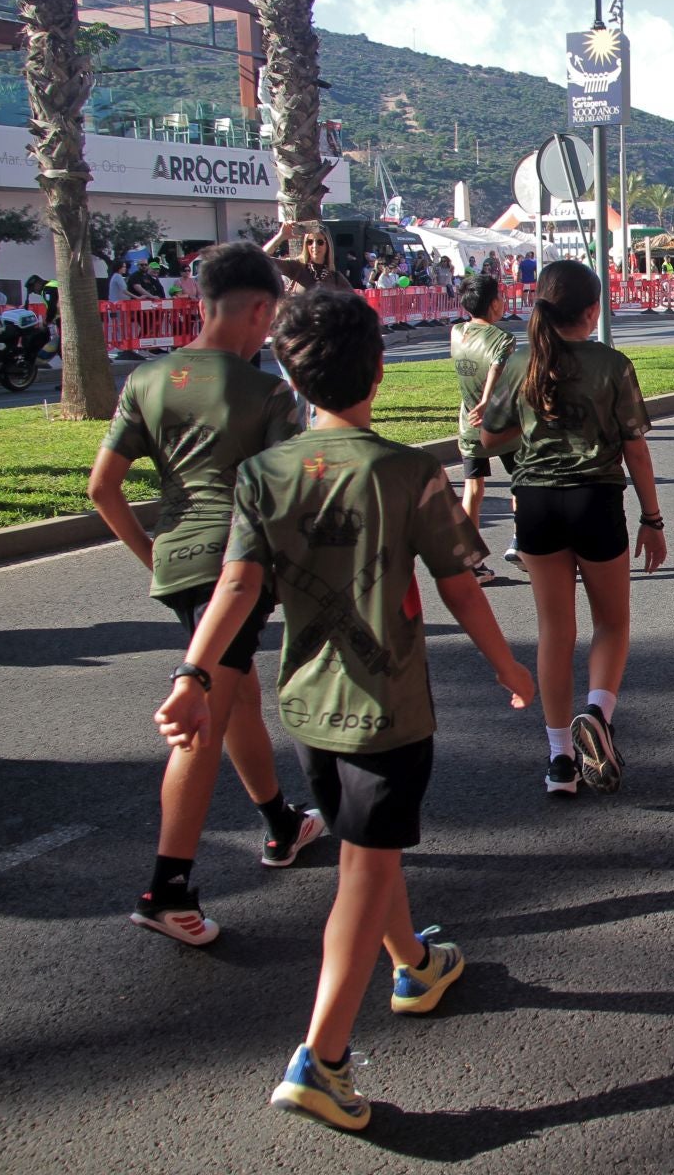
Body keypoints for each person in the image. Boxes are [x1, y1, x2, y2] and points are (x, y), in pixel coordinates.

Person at [154, 287, 534, 1131]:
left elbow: (236, 586)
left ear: (290, 377)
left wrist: (192, 674)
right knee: (365, 864)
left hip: (307, 708)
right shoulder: (408, 473)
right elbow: (460, 586)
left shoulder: (262, 475)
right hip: (388, 710)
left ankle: (415, 963)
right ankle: (322, 1059)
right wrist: (510, 665)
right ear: (380, 369)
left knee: (368, 847)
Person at [88, 241, 328, 945]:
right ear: (259, 309)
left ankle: (281, 823)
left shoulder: (147, 378)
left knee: (236, 692)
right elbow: (290, 499)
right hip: (235, 570)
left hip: (178, 564)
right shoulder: (268, 393)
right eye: (271, 316)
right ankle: (166, 890)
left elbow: (102, 488)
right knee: (202, 718)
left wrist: (154, 557)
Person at [481, 260, 666, 796]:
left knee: (554, 631)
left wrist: (533, 426)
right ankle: (597, 713)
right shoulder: (611, 364)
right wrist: (652, 518)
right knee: (611, 623)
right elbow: (635, 447)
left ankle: (560, 759)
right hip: (595, 499)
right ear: (592, 310)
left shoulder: (521, 362)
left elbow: (488, 439)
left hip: (536, 504)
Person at [450, 273, 517, 583]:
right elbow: (496, 366)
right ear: (493, 303)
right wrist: (487, 399)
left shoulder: (457, 332)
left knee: (472, 489)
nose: (503, 301)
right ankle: (521, 542)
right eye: (500, 296)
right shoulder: (503, 338)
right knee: (521, 482)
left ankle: (471, 560)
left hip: (468, 424)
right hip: (500, 423)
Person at [263, 221, 347, 295]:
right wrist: (281, 236)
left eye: (320, 242)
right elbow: (261, 259)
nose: (314, 246)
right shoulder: (296, 266)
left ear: (327, 245)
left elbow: (352, 302)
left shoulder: (335, 278)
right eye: (310, 242)